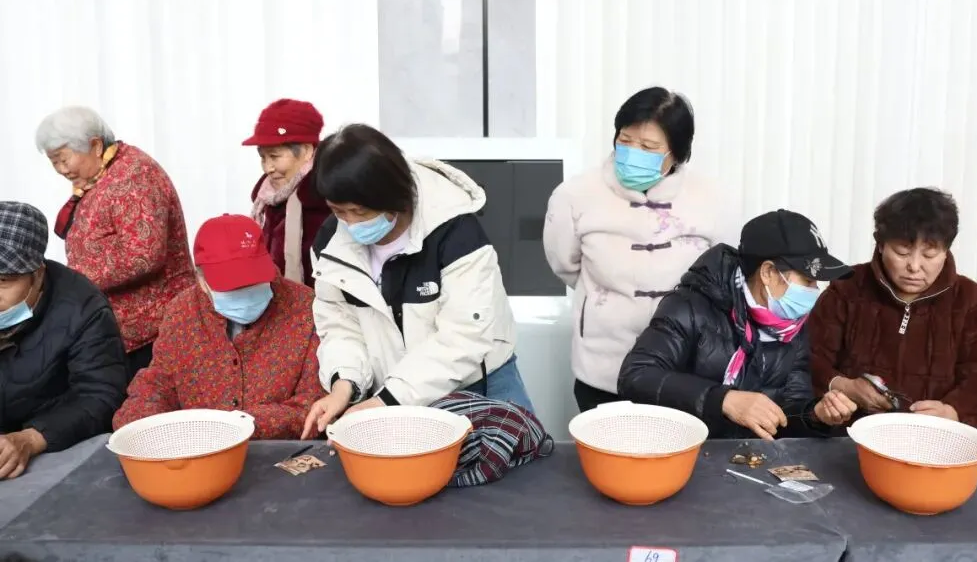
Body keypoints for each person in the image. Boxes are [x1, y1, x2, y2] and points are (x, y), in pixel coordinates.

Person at [301, 124, 531, 438]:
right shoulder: (330, 245)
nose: (350, 223)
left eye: (359, 211)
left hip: (478, 386)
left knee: (512, 466)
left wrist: (387, 400)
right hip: (390, 394)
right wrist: (344, 386)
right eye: (338, 211)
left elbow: (464, 337)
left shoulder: (454, 231)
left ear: (394, 197)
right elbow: (340, 327)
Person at [543, 87, 738, 412]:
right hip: (605, 366)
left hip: (684, 373)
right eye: (625, 140)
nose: (633, 152)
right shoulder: (575, 195)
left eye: (648, 147)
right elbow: (565, 263)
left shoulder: (711, 198)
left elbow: (722, 276)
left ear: (677, 153)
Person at [618, 210, 857, 439]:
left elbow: (789, 409)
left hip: (745, 456)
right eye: (808, 280)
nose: (814, 290)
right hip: (684, 449)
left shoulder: (791, 326)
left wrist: (815, 415)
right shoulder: (690, 306)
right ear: (768, 273)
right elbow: (636, 375)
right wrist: (723, 400)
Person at [113, 215, 323, 439]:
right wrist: (139, 424)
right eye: (231, 287)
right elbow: (158, 383)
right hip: (195, 450)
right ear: (201, 280)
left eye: (254, 282)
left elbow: (314, 403)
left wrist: (237, 426)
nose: (244, 292)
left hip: (280, 451)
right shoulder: (182, 312)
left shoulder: (305, 307)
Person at [809, 188, 977, 427]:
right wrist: (844, 386)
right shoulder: (847, 288)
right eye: (902, 252)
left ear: (946, 250)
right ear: (881, 244)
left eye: (929, 254)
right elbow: (809, 360)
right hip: (850, 434)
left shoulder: (970, 300)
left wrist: (952, 412)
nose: (914, 266)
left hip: (934, 437)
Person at [35, 106, 196, 377]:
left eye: (63, 159)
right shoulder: (101, 174)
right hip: (121, 331)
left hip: (154, 333)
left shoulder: (135, 176)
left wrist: (72, 280)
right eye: (54, 162)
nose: (61, 170)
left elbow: (144, 254)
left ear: (96, 146)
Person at [0, 202, 126, 478]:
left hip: (53, 450)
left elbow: (101, 396)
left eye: (4, 280)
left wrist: (30, 439)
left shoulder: (84, 309)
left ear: (38, 274)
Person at [243, 99, 331, 287]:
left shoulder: (325, 200)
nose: (268, 168)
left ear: (306, 151)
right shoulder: (267, 199)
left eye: (274, 156)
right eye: (263, 158)